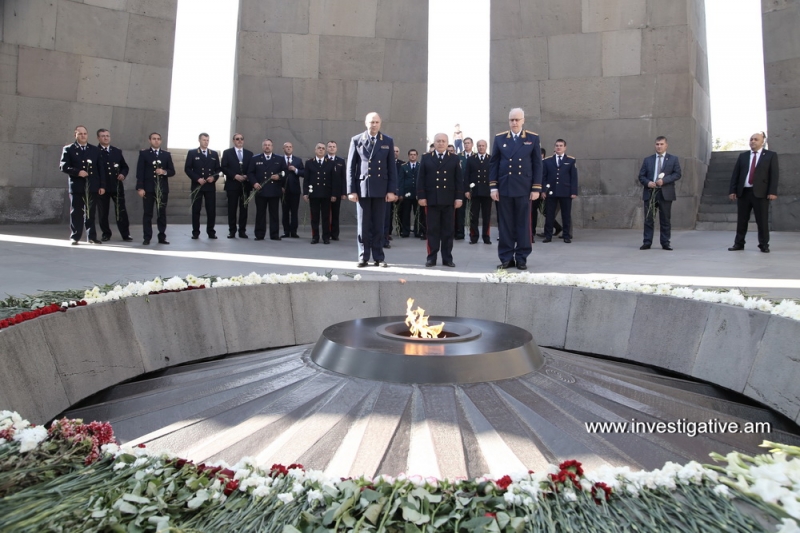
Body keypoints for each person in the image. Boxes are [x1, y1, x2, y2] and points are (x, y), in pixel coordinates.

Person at [489, 108, 542, 270]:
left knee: (523, 224)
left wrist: (536, 188)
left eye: (517, 120)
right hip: (504, 188)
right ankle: (506, 257)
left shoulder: (532, 138)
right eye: (512, 120)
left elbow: (537, 165)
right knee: (505, 225)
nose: (514, 123)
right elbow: (494, 164)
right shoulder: (499, 139)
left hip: (524, 189)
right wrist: (493, 187)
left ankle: (521, 257)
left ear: (523, 120)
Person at [347, 112, 398, 268]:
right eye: (371, 122)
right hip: (362, 189)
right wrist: (351, 190)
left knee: (378, 225)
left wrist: (392, 190)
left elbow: (391, 168)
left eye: (376, 122)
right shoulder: (356, 140)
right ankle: (363, 256)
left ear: (380, 123)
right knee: (363, 225)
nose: (374, 124)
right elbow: (350, 167)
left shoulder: (387, 141)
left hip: (381, 190)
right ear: (366, 123)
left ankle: (378, 257)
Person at [728, 132, 779, 253]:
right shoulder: (743, 156)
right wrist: (733, 190)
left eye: (756, 139)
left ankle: (764, 244)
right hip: (744, 192)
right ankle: (739, 243)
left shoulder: (770, 155)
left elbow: (774, 174)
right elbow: (736, 174)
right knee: (742, 220)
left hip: (761, 193)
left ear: (763, 142)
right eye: (751, 139)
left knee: (762, 220)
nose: (753, 141)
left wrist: (772, 191)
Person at [417, 133, 463, 267]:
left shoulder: (454, 159)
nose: (441, 143)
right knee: (432, 230)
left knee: (448, 231)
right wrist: (421, 196)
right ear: (434, 143)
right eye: (438, 141)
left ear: (447, 143)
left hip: (448, 200)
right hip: (432, 200)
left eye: (443, 141)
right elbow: (421, 179)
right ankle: (431, 257)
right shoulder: (426, 158)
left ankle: (447, 258)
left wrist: (458, 198)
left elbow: (458, 180)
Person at [60, 125, 106, 244]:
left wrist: (102, 185)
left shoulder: (95, 150)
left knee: (91, 211)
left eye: (85, 133)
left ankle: (92, 236)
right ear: (75, 135)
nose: (83, 136)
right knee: (76, 211)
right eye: (80, 134)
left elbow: (101, 169)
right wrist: (77, 172)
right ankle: (75, 236)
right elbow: (63, 166)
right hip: (77, 185)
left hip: (92, 185)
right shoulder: (69, 149)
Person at [638, 136, 681, 250]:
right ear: (654, 145)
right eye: (657, 144)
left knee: (665, 219)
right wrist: (648, 183)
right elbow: (641, 176)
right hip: (650, 192)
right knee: (648, 219)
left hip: (665, 193)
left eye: (661, 144)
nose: (659, 146)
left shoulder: (673, 159)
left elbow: (677, 174)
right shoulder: (648, 160)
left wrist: (664, 181)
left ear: (666, 145)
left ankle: (665, 242)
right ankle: (647, 242)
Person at [136, 132, 175, 245]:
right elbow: (140, 171)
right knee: (148, 213)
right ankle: (147, 237)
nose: (156, 141)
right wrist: (140, 188)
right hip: (148, 188)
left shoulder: (166, 155)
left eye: (158, 139)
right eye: (154, 139)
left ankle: (162, 236)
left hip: (162, 189)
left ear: (161, 141)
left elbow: (172, 171)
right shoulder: (144, 154)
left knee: (161, 213)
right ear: (150, 140)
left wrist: (164, 172)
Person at [95, 128, 132, 242]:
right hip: (102, 187)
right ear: (98, 138)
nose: (106, 138)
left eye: (107, 136)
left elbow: (125, 166)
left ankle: (125, 234)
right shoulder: (95, 151)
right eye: (103, 136)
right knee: (103, 212)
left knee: (121, 210)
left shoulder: (117, 151)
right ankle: (106, 234)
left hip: (116, 186)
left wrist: (122, 174)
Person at [247, 139, 287, 241]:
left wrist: (279, 177)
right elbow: (250, 173)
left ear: (272, 147)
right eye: (265, 145)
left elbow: (285, 172)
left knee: (274, 213)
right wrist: (254, 183)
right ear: (262, 147)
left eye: (269, 145)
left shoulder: (279, 158)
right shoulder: (255, 159)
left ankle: (274, 234)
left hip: (274, 190)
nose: (267, 147)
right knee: (260, 213)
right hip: (260, 190)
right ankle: (259, 234)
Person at [541, 139, 578, 243]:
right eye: (557, 145)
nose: (558, 147)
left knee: (566, 215)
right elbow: (544, 177)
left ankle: (566, 235)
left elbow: (574, 178)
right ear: (554, 147)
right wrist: (543, 190)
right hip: (551, 191)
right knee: (549, 215)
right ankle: (548, 236)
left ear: (565, 147)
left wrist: (573, 192)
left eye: (561, 146)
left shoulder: (570, 160)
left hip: (565, 191)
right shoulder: (547, 161)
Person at [185, 132, 221, 239]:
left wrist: (213, 177)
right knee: (196, 210)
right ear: (199, 140)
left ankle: (211, 232)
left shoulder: (213, 154)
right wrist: (197, 178)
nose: (206, 142)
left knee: (211, 210)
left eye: (207, 140)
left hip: (210, 186)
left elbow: (218, 169)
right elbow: (187, 168)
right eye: (204, 140)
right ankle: (195, 232)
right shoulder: (192, 153)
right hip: (197, 185)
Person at [304, 143, 338, 245]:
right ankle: (315, 237)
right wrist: (305, 193)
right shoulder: (309, 163)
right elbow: (306, 180)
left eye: (323, 148)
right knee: (314, 217)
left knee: (326, 217)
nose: (321, 150)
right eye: (319, 148)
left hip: (326, 194)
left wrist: (334, 194)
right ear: (315, 150)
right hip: (314, 194)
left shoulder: (331, 163)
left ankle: (326, 237)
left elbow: (334, 180)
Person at [221, 133, 253, 238]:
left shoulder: (249, 153)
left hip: (245, 185)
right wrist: (235, 176)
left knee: (244, 208)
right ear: (233, 141)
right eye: (237, 139)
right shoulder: (227, 153)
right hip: (232, 185)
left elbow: (252, 168)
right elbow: (224, 167)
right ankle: (232, 231)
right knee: (232, 208)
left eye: (241, 139)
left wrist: (247, 176)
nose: (239, 141)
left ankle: (242, 231)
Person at [467, 139, 492, 244]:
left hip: (487, 192)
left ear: (486, 146)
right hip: (475, 192)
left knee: (487, 216)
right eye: (479, 146)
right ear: (476, 147)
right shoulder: (471, 159)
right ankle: (474, 237)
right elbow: (467, 176)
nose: (481, 147)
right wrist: (467, 190)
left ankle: (486, 237)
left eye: (483, 145)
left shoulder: (491, 159)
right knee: (474, 216)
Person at [534, 147, 562, 240]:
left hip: (543, 192)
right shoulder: (536, 163)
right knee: (542, 211)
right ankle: (554, 228)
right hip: (536, 191)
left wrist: (543, 191)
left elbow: (543, 178)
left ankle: (552, 229)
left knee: (546, 212)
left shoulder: (545, 163)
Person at [281, 142, 304, 238]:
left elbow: (304, 173)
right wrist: (280, 186)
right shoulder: (279, 159)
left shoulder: (298, 160)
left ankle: (293, 231)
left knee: (294, 211)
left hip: (295, 190)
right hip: (283, 190)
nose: (288, 148)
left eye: (290, 147)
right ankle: (286, 231)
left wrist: (295, 170)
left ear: (292, 148)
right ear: (283, 149)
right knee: (285, 211)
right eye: (286, 147)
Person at [326, 141, 347, 241]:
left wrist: (344, 192)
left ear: (336, 148)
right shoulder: (323, 159)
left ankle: (334, 234)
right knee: (326, 214)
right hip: (325, 191)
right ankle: (326, 233)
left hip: (337, 191)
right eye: (330, 146)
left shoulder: (340, 161)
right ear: (327, 148)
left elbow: (343, 177)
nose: (331, 148)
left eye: (333, 146)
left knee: (335, 214)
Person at [398, 149, 420, 238]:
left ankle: (417, 231)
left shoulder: (420, 166)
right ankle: (405, 231)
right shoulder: (404, 166)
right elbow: (401, 181)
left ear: (417, 156)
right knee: (406, 213)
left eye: (414, 154)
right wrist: (401, 193)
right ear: (408, 156)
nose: (412, 156)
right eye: (411, 154)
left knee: (417, 213)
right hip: (407, 193)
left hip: (417, 194)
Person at [455, 137, 474, 240]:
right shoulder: (458, 157)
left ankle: (472, 233)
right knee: (460, 212)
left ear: (472, 144)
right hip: (461, 188)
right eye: (465, 143)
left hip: (473, 188)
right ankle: (460, 232)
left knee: (472, 212)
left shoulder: (475, 156)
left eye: (468, 143)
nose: (466, 145)